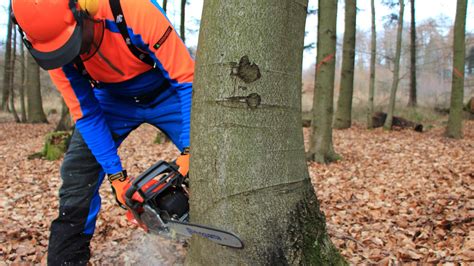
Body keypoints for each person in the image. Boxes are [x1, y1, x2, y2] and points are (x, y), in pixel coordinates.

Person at [11, 0, 193, 264]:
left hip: (168, 90)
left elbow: (186, 80)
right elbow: (87, 114)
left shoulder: (135, 10)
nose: (70, 55)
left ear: (87, 7)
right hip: (111, 100)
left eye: (72, 44)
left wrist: (190, 151)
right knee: (77, 176)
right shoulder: (53, 51)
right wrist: (117, 177)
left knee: (209, 155)